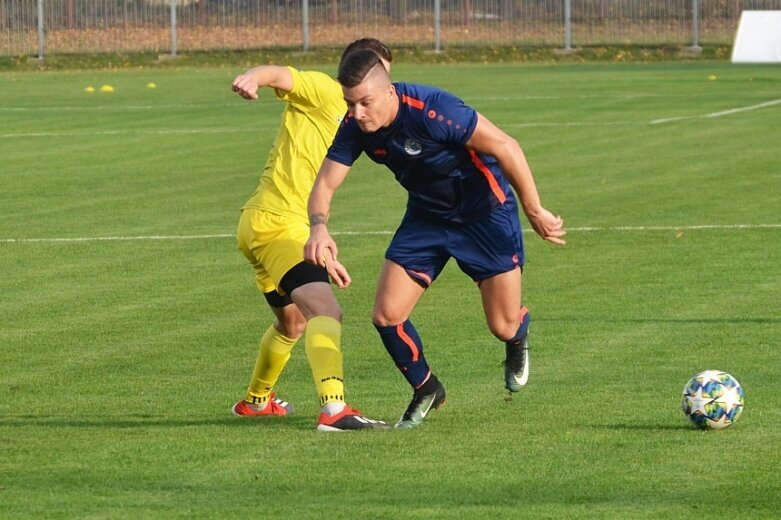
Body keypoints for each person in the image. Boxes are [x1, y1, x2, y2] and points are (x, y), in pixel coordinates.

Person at [305, 49, 566, 429]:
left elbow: (506, 146)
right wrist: (318, 227)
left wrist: (534, 209)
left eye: (365, 102)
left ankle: (518, 334)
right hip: (427, 219)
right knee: (386, 316)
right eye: (350, 103)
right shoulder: (354, 126)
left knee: (502, 325)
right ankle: (427, 388)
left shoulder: (433, 109)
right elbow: (326, 183)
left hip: (485, 215)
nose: (357, 113)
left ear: (389, 92)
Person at [230, 39, 393, 431]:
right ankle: (335, 410)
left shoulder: (360, 119)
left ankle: (255, 402)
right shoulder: (325, 91)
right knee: (326, 311)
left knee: (292, 324)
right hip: (277, 225)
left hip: (263, 222)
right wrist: (253, 77)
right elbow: (281, 75)